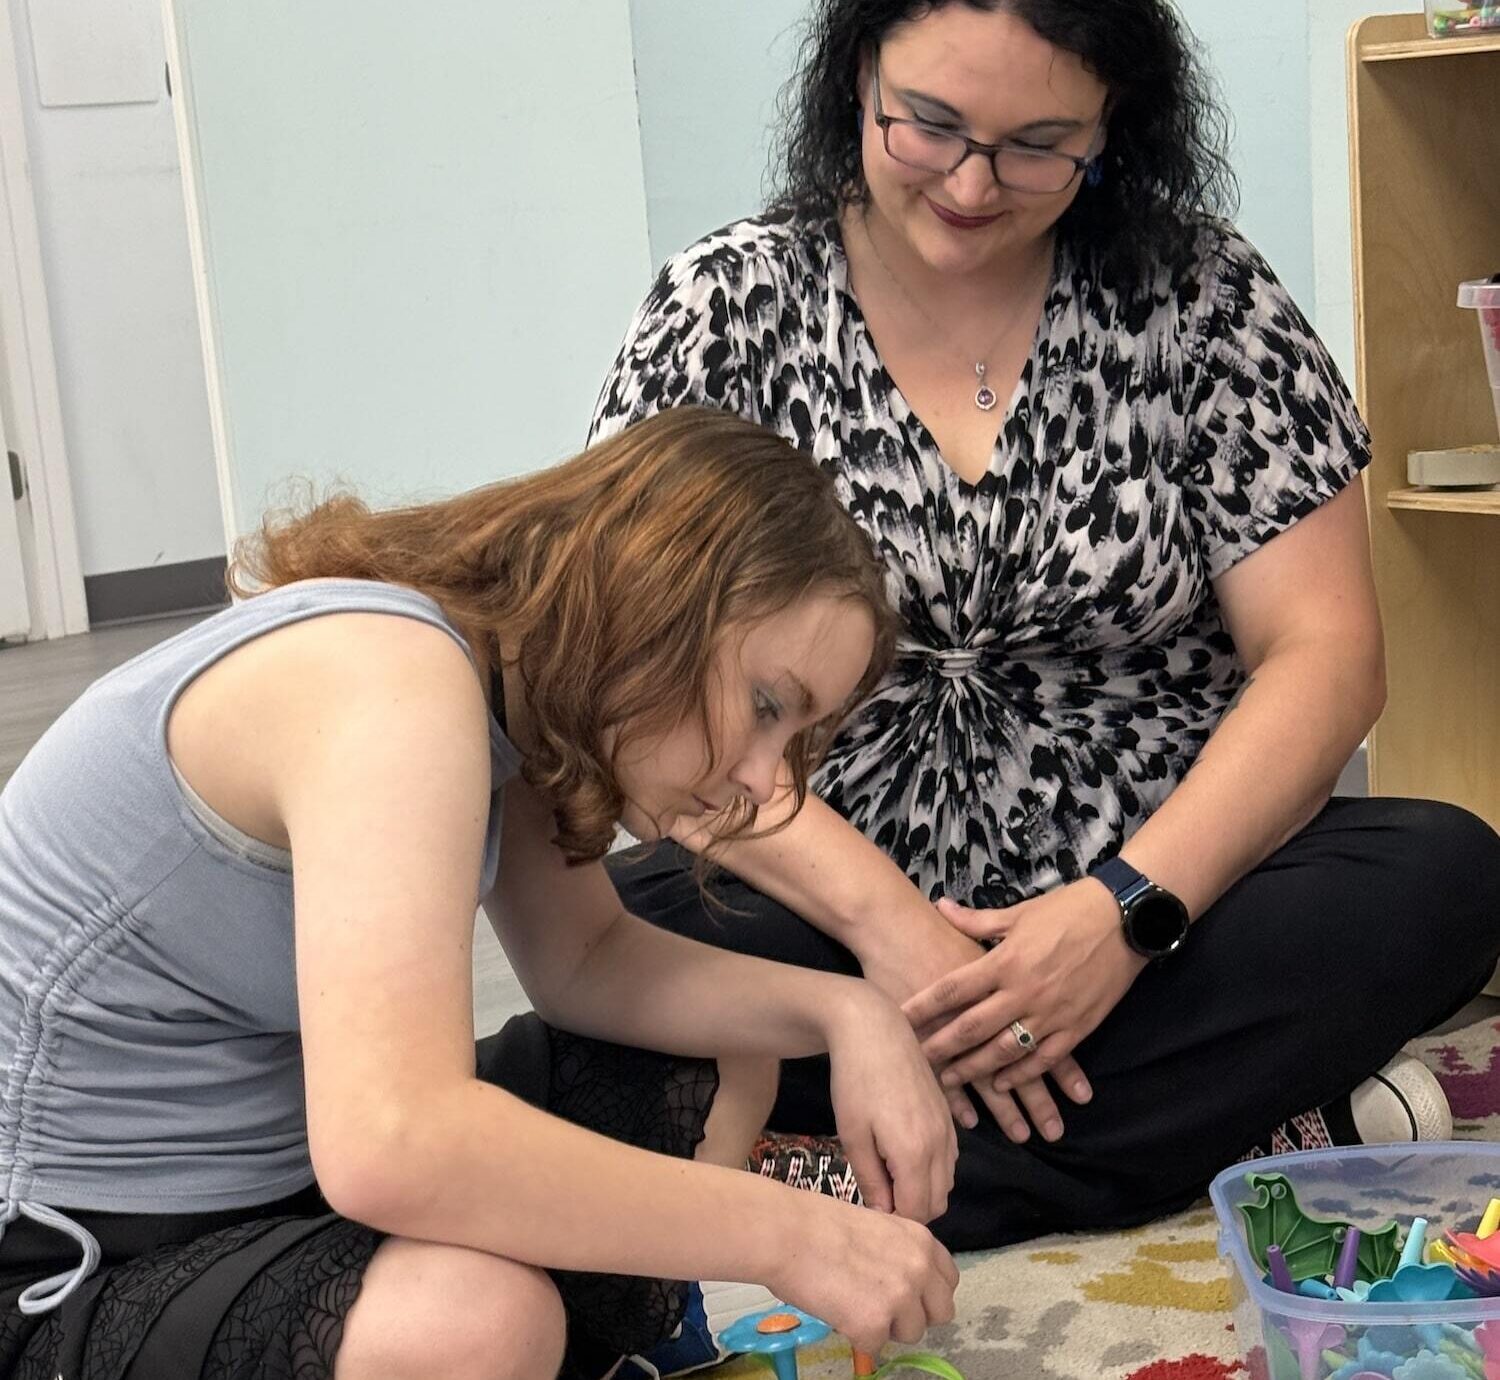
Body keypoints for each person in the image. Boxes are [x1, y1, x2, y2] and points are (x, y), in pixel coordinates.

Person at [591, 0, 1500, 1274]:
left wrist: (1122, 916)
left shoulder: (1202, 295)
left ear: (1113, 129)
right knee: (617, 930)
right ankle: (1225, 1130)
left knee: (1443, 870)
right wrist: (889, 927)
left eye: (1036, 145)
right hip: (822, 894)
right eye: (930, 127)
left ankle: (861, 1170)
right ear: (858, 81)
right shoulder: (724, 307)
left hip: (1164, 906)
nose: (972, 183)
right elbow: (639, 702)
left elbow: (1328, 657)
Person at [0, 408, 960, 1380]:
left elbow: (586, 962)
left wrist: (853, 1015)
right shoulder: (393, 686)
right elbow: (391, 1141)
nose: (768, 779)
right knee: (480, 1323)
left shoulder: (512, 682)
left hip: (268, 1186)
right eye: (765, 706)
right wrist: (786, 1233)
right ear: (659, 597)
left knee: (721, 1052)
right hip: (61, 1262)